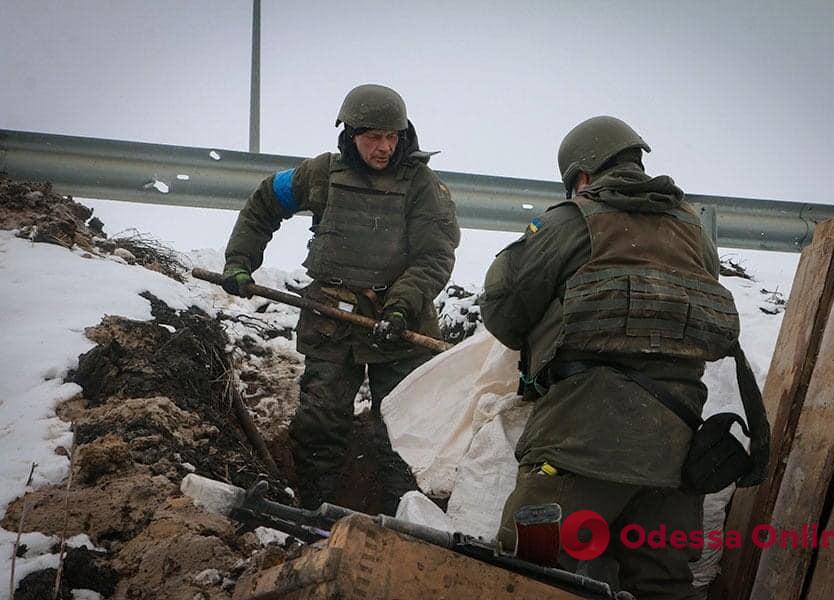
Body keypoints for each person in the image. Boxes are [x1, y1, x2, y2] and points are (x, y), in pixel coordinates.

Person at [480, 116, 766, 598]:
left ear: (583, 177)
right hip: (675, 455)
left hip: (580, 441)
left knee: (530, 570)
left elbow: (504, 310)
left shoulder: (570, 220)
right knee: (662, 586)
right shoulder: (695, 233)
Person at [221, 84, 460, 512]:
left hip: (401, 323)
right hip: (331, 317)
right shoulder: (318, 175)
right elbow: (263, 204)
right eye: (373, 137)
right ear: (349, 134)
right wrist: (240, 261)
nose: (384, 148)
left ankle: (403, 518)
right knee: (319, 424)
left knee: (404, 428)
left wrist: (402, 305)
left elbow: (434, 256)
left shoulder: (424, 187)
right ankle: (317, 512)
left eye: (392, 137)